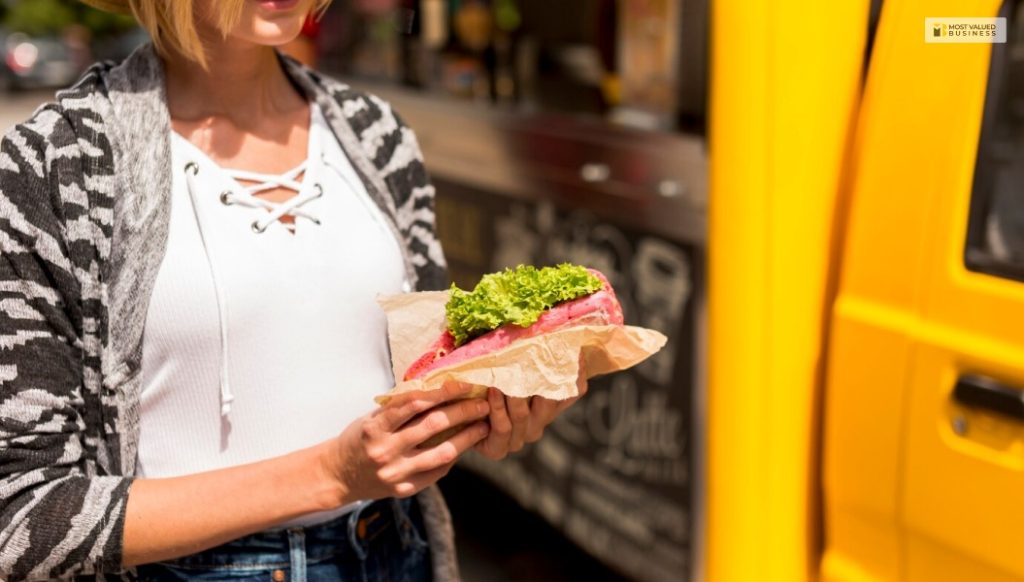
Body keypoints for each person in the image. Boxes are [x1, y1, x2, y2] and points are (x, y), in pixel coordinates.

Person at [0, 1, 586, 580]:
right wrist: (332, 473)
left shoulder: (374, 133)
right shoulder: (55, 163)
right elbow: (22, 514)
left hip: (395, 549)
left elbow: (429, 375)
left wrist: (490, 406)